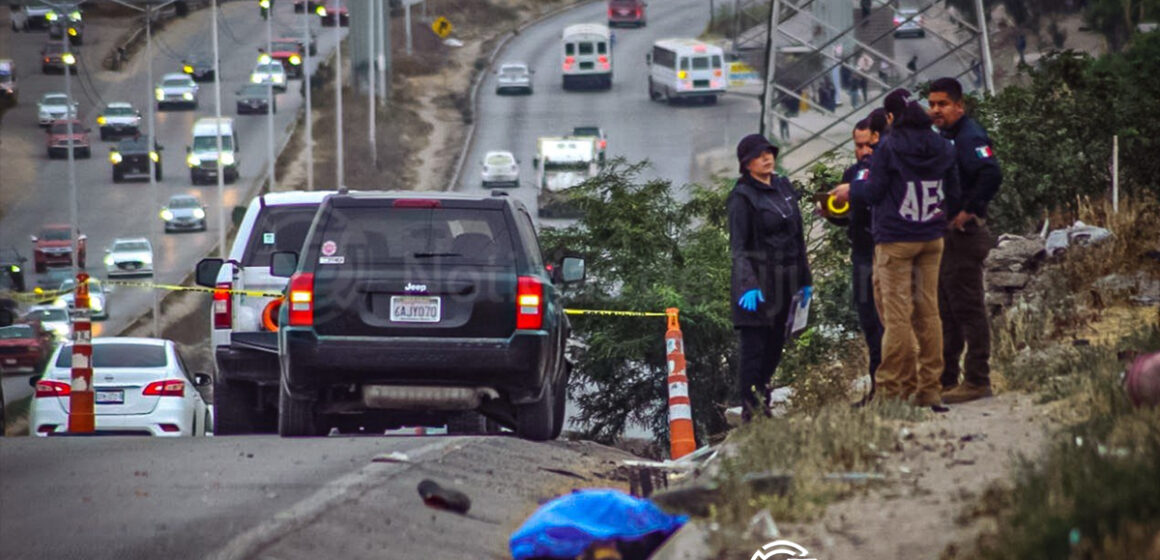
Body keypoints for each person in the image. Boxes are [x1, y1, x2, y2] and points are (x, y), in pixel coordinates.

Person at [830, 94, 959, 409]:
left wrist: (850, 190)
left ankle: (891, 392)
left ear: (889, 117)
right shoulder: (942, 144)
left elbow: (874, 192)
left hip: (896, 239)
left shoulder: (890, 145)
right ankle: (930, 389)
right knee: (929, 313)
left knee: (897, 318)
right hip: (931, 236)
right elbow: (954, 191)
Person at [927, 77, 1002, 404]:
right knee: (947, 308)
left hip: (964, 235)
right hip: (947, 236)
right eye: (931, 104)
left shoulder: (969, 135)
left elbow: (991, 173)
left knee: (968, 307)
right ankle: (947, 379)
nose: (935, 110)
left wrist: (968, 211)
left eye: (942, 104)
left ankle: (977, 379)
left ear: (960, 105)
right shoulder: (947, 137)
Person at [729, 134, 812, 420]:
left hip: (786, 280)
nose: (766, 158)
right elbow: (738, 248)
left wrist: (806, 279)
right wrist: (747, 286)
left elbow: (797, 237)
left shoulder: (783, 186)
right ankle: (751, 410)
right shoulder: (742, 197)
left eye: (769, 153)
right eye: (758, 155)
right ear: (746, 164)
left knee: (776, 344)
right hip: (757, 283)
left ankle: (764, 399)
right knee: (754, 349)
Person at [838, 112, 886, 406]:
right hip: (861, 255)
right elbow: (850, 219)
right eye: (858, 146)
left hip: (886, 252)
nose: (863, 152)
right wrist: (833, 212)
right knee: (869, 321)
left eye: (868, 145)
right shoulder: (850, 175)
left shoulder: (886, 169)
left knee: (890, 321)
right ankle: (877, 385)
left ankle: (892, 385)